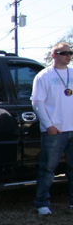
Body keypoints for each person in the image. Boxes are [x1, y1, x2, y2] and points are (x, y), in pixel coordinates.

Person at [31, 42, 73, 215]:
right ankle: (42, 203)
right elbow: (37, 102)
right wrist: (49, 125)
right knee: (48, 169)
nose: (68, 55)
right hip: (55, 130)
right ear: (54, 55)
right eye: (63, 53)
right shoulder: (44, 76)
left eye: (70, 52)